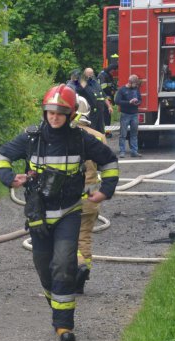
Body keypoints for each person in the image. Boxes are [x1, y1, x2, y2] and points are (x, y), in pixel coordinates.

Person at [0, 84, 119, 341]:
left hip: (68, 212)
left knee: (64, 264)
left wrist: (106, 190)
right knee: (43, 267)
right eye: (50, 112)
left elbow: (109, 161)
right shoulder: (31, 137)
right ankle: (58, 306)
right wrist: (8, 177)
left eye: (60, 113)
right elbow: (2, 156)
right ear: (44, 112)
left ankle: (64, 326)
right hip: (38, 214)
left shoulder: (81, 139)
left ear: (71, 115)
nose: (54, 117)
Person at [71, 95, 108, 294]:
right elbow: (105, 164)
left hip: (68, 199)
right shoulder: (98, 136)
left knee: (66, 238)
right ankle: (82, 278)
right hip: (92, 196)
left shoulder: (65, 135)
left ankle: (78, 265)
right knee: (84, 237)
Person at [115, 74, 143, 158]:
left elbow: (140, 99)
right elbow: (117, 101)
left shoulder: (136, 89)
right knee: (123, 134)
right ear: (130, 82)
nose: (136, 85)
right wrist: (128, 102)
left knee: (134, 134)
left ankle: (134, 151)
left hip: (134, 114)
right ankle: (122, 151)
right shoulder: (122, 90)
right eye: (135, 83)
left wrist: (137, 102)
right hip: (125, 114)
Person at [82, 67, 111, 134]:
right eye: (89, 73)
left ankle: (100, 142)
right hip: (90, 112)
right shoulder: (83, 84)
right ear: (85, 74)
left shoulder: (96, 83)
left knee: (101, 130)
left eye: (92, 73)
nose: (91, 75)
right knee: (91, 130)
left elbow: (103, 95)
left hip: (100, 111)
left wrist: (109, 106)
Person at [98, 63, 118, 133]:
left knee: (108, 116)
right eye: (114, 71)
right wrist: (111, 91)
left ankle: (107, 132)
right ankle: (106, 132)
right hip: (104, 98)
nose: (114, 72)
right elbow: (103, 87)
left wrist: (114, 88)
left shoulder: (108, 75)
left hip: (108, 98)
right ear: (111, 69)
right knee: (106, 116)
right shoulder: (102, 75)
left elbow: (112, 84)